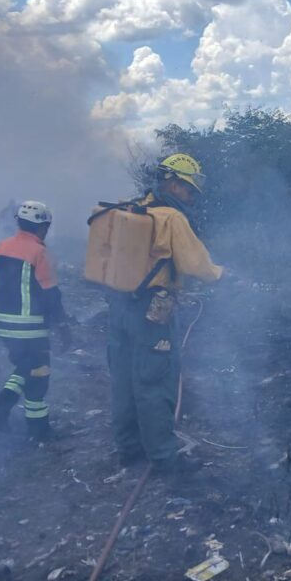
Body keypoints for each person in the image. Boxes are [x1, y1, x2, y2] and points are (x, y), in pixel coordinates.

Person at [107, 153, 223, 474]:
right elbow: (196, 265)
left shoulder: (129, 209)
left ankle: (129, 451)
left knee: (124, 381)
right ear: (172, 182)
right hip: (151, 314)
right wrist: (223, 275)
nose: (191, 196)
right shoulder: (171, 218)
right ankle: (164, 459)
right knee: (153, 382)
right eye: (188, 189)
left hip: (118, 308)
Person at [0, 201, 71, 441]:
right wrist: (63, 326)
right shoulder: (39, 252)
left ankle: (1, 411)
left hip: (3, 324)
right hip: (30, 327)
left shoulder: (1, 247)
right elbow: (51, 293)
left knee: (25, 367)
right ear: (42, 227)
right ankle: (37, 429)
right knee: (39, 373)